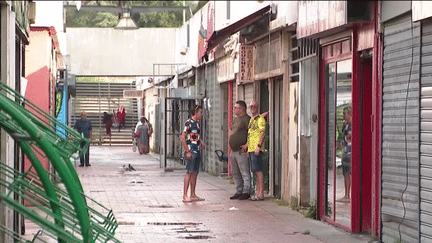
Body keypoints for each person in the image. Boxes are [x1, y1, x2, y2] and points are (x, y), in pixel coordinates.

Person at [180, 105, 206, 203]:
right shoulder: (188, 123)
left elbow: (194, 136)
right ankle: (185, 194)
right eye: (200, 112)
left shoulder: (197, 124)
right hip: (191, 150)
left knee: (195, 172)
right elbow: (183, 137)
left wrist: (200, 142)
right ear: (195, 112)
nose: (201, 114)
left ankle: (193, 194)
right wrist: (187, 151)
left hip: (197, 149)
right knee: (189, 172)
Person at [229, 101, 251, 200]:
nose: (234, 109)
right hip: (233, 151)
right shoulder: (236, 120)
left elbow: (251, 133)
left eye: (236, 107)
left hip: (241, 151)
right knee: (235, 172)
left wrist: (247, 145)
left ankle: (246, 191)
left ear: (242, 109)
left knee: (244, 172)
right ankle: (239, 190)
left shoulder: (247, 119)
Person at [246, 100, 266, 201]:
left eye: (254, 106)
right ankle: (258, 192)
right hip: (251, 149)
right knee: (255, 171)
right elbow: (250, 135)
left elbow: (262, 132)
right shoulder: (252, 120)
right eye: (251, 106)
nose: (252, 108)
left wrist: (258, 146)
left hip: (256, 149)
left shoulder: (260, 119)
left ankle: (261, 193)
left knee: (258, 171)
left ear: (257, 107)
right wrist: (248, 149)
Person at [338, 106, 352, 202]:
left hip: (350, 152)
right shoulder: (346, 126)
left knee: (349, 173)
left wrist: (347, 138)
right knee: (345, 173)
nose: (343, 115)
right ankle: (346, 194)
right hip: (346, 152)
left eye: (344, 114)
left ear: (349, 114)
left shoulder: (352, 125)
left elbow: (350, 138)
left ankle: (349, 194)